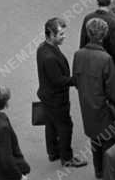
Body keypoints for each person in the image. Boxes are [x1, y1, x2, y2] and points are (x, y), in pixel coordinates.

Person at [73, 17, 115, 179]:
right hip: (105, 108)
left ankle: (98, 170)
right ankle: (110, 175)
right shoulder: (105, 59)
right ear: (104, 36)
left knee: (95, 140)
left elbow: (76, 80)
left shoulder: (78, 55)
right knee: (110, 143)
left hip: (87, 105)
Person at [35, 17, 86, 168]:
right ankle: (67, 157)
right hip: (56, 98)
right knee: (65, 126)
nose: (64, 37)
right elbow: (58, 80)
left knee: (51, 124)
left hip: (47, 96)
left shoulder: (43, 48)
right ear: (50, 34)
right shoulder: (50, 57)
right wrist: (76, 80)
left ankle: (53, 152)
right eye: (61, 34)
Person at [80, 0, 115, 98]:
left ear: (97, 1)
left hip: (91, 65)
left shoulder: (88, 18)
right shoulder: (113, 21)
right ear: (110, 0)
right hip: (108, 66)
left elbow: (82, 43)